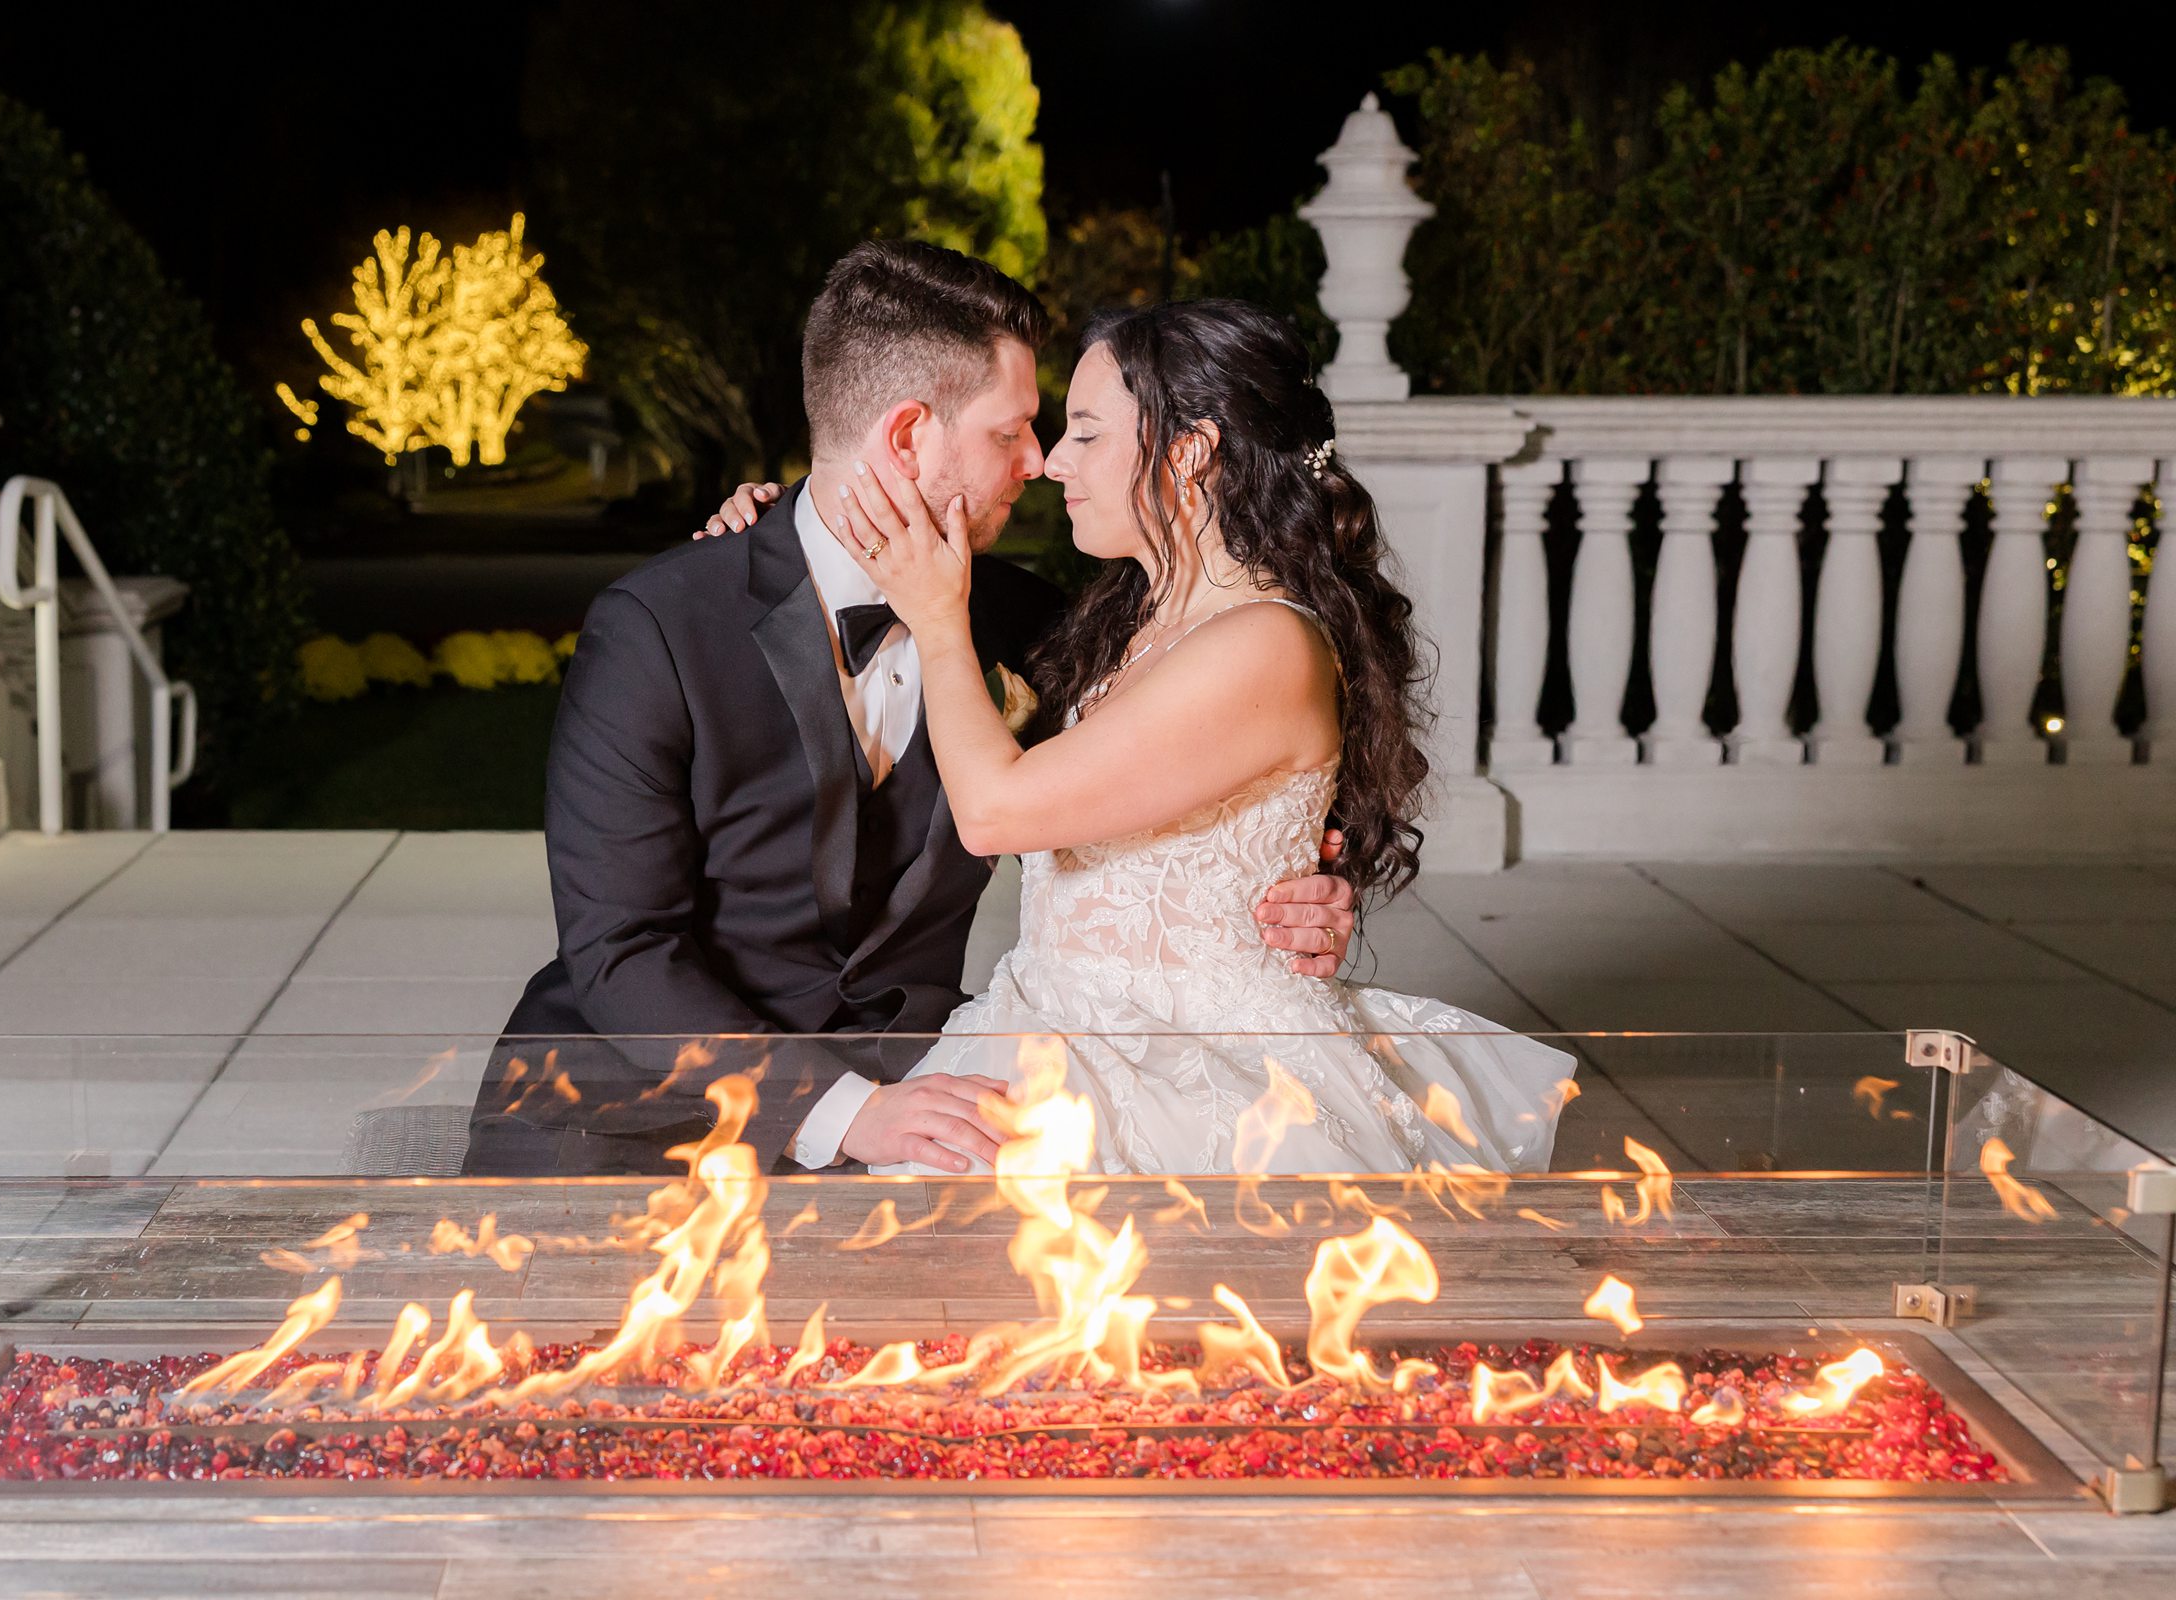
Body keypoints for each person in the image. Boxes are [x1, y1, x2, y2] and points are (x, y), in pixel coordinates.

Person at [462, 244, 1359, 1177]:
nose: (1039, 463)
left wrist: (1310, 880)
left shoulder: (1038, 622)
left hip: (932, 1105)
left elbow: (1205, 761)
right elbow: (619, 951)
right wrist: (847, 1115)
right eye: (1011, 433)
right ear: (905, 438)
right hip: (637, 1119)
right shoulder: (662, 627)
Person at [700, 298, 1571, 1175]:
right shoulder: (1122, 618)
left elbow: (996, 812)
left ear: (1188, 453)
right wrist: (786, 527)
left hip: (1183, 1072)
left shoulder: (1264, 644)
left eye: (1084, 433)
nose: (1049, 464)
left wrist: (935, 616)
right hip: (1038, 1023)